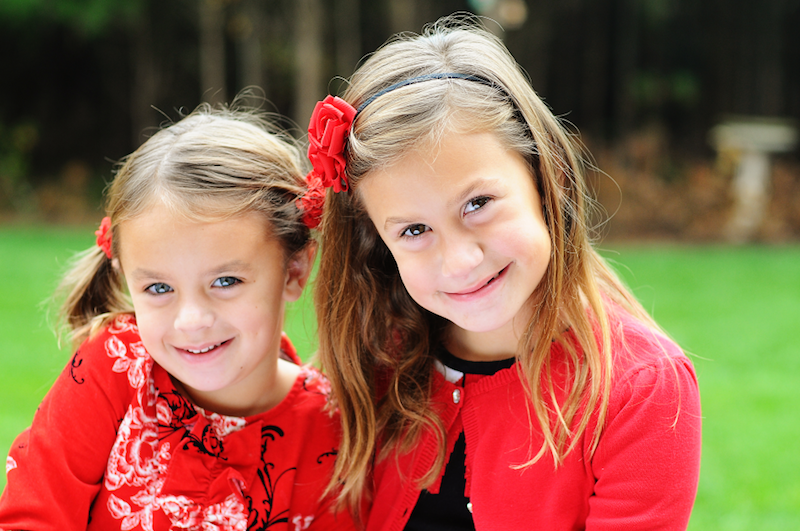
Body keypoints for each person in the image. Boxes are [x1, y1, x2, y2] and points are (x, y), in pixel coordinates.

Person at [307, 16, 702, 530]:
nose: (461, 260)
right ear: (377, 242)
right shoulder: (373, 361)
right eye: (413, 231)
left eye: (478, 203)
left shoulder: (640, 389)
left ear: (547, 178)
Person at [0, 104, 355, 530]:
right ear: (126, 277)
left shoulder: (329, 427)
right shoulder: (115, 366)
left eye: (225, 281)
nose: (191, 320)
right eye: (159, 289)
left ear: (294, 270)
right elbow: (31, 516)